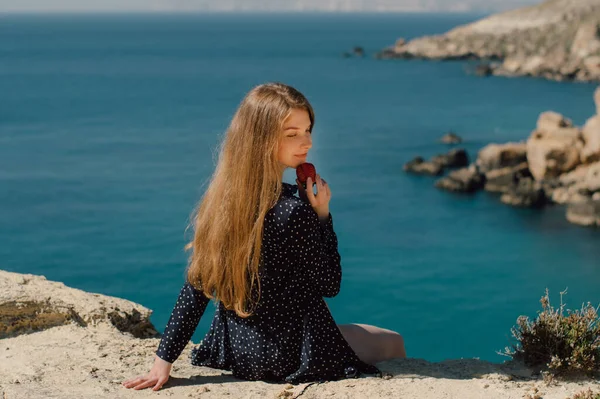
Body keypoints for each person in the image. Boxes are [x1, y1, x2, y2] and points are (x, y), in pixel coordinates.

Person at [122, 82, 406, 392]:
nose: (307, 142)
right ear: (261, 139)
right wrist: (323, 215)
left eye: (308, 130)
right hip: (291, 355)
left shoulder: (222, 201)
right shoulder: (294, 211)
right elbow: (330, 284)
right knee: (392, 342)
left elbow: (197, 288)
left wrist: (162, 361)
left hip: (238, 350)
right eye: (292, 134)